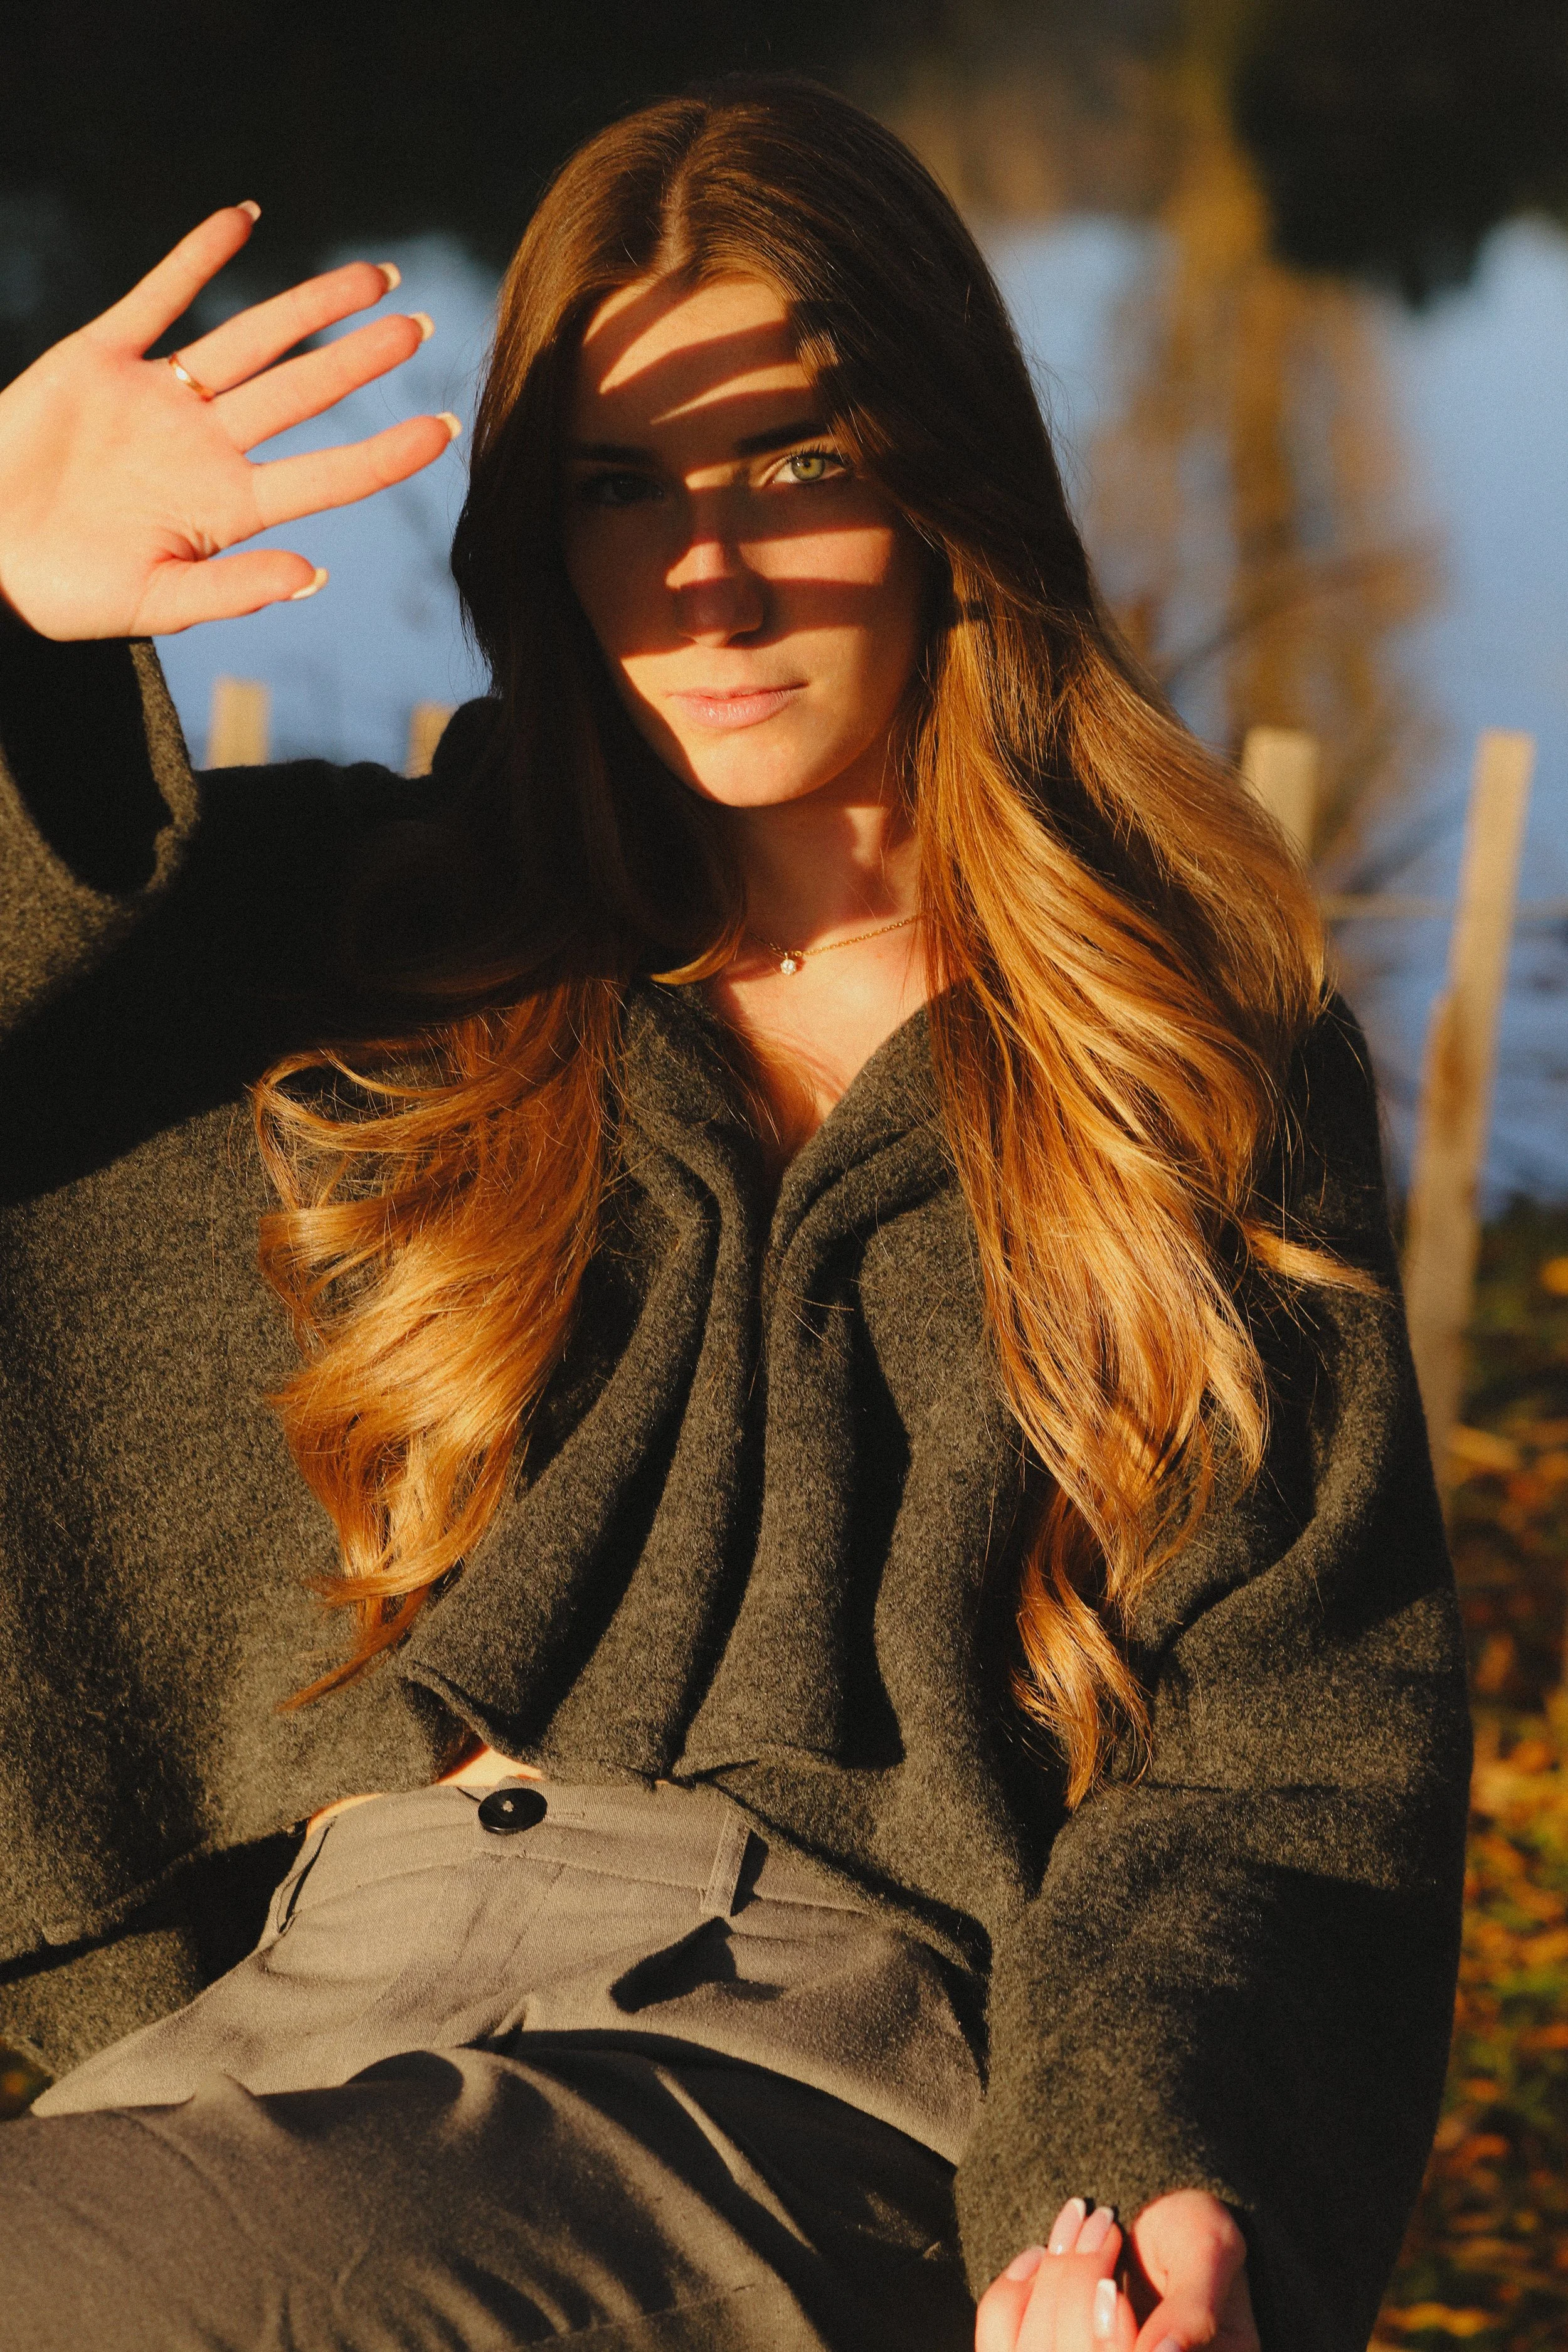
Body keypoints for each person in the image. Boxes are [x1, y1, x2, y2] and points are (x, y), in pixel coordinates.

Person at [0, 75, 1469, 2352]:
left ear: (939, 487)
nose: (706, 573)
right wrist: (0, 627)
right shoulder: (362, 955)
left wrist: (1153, 2180)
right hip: (273, 2031)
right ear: (537, 538)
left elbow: (1279, 1756)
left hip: (808, 2077)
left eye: (796, 461)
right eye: (619, 489)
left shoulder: (1182, 1066)